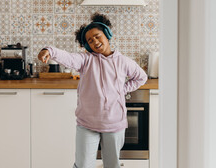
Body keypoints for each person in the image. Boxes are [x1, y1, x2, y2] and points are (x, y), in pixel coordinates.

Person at [37, 12, 148, 168]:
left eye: (97, 36)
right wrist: (49, 51)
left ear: (107, 35)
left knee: (112, 165)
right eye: (90, 40)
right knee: (82, 165)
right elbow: (69, 58)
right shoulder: (85, 60)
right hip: (87, 124)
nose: (95, 41)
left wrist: (121, 89)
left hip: (114, 124)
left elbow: (141, 77)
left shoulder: (124, 62)